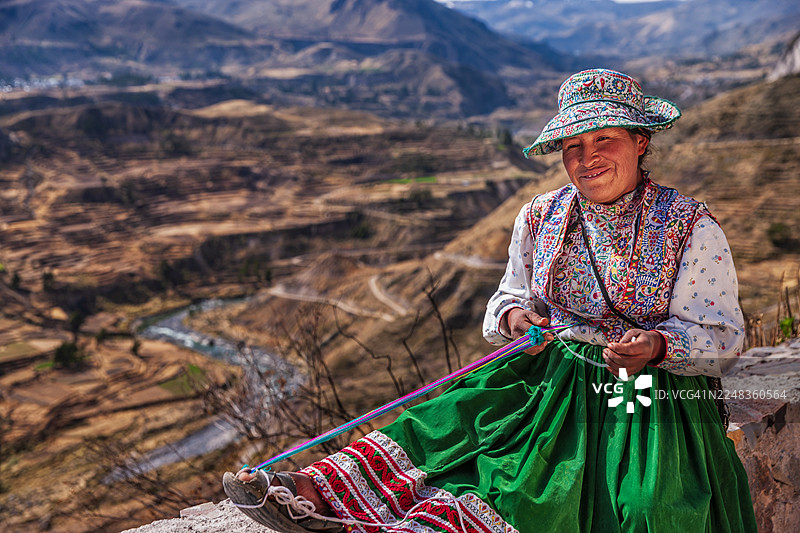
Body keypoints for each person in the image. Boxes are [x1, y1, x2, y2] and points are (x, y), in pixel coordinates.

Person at [223, 68, 757, 532]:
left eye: (604, 141)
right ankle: (314, 495)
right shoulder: (541, 215)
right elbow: (506, 298)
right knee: (447, 426)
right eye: (574, 147)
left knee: (646, 505)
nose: (587, 160)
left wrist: (659, 345)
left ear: (641, 141)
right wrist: (515, 317)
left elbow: (723, 337)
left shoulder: (691, 226)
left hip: (646, 396)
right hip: (547, 378)